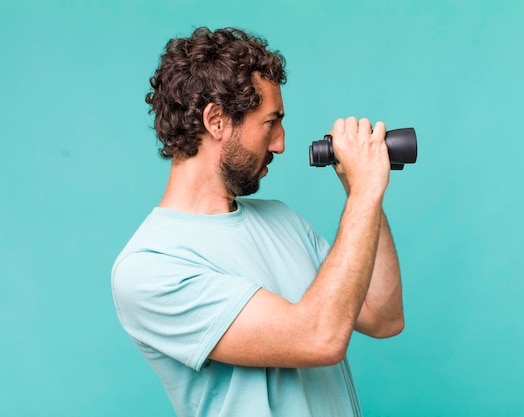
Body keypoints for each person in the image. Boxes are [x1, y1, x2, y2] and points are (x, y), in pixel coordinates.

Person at [111, 26, 404, 417]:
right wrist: (366, 191)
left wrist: (361, 191)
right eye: (270, 122)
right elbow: (319, 338)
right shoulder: (151, 268)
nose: (280, 143)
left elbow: (384, 318)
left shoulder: (282, 220)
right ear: (216, 120)